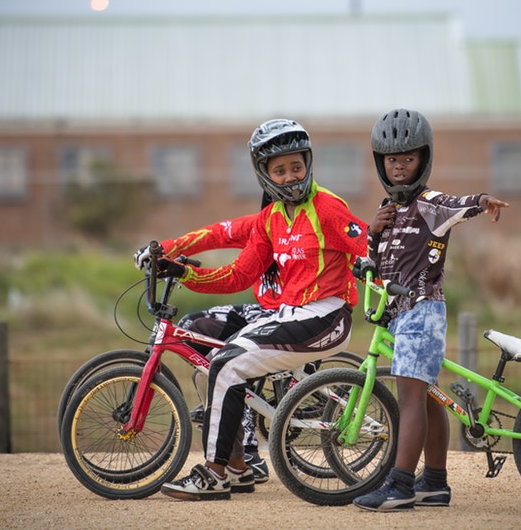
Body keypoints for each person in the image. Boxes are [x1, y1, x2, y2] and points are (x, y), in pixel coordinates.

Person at [149, 118, 368, 501]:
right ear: (264, 174)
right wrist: (183, 272)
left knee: (228, 363)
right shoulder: (270, 219)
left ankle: (214, 473)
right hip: (292, 314)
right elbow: (238, 275)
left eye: (296, 167)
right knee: (221, 358)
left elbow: (369, 248)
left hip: (328, 315)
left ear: (309, 164)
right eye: (279, 170)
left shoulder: (328, 208)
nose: (289, 177)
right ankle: (236, 465)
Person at [352, 108, 509, 512]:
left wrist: (482, 201)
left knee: (409, 399)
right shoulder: (389, 209)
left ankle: (400, 485)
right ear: (380, 162)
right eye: (391, 159)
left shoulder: (428, 203)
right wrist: (372, 232)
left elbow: (458, 203)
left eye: (408, 158)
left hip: (421, 311)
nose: (399, 166)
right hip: (399, 314)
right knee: (424, 399)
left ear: (424, 159)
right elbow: (376, 261)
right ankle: (434, 483)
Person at [133, 197, 282, 483]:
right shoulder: (259, 224)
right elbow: (213, 234)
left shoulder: (311, 223)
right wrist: (165, 248)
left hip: (289, 315)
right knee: (193, 328)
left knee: (232, 362)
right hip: (262, 309)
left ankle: (247, 451)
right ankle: (222, 411)